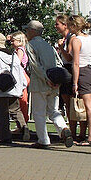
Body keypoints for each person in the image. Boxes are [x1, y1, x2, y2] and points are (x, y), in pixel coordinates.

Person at [23, 19, 72, 149]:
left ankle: (43, 140)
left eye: (27, 30)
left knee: (39, 112)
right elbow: (58, 63)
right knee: (53, 110)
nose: (26, 32)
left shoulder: (31, 45)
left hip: (40, 83)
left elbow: (35, 65)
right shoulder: (48, 45)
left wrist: (46, 78)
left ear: (33, 31)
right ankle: (63, 128)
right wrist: (57, 81)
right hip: (55, 84)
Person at [0, 31, 27, 145]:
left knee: (2, 114)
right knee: (16, 110)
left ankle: (5, 137)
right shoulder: (13, 56)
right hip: (14, 88)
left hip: (0, 90)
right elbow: (20, 73)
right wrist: (21, 87)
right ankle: (24, 128)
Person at [68, 15, 91, 147]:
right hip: (90, 72)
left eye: (70, 25)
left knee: (89, 106)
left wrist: (75, 83)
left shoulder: (76, 40)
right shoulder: (90, 39)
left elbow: (75, 63)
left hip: (82, 72)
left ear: (74, 26)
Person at [7, 32, 31, 141]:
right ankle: (21, 125)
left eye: (13, 41)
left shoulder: (20, 50)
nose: (11, 43)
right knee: (21, 100)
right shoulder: (20, 49)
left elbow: (17, 62)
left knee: (21, 101)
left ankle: (22, 125)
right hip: (22, 76)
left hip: (21, 76)